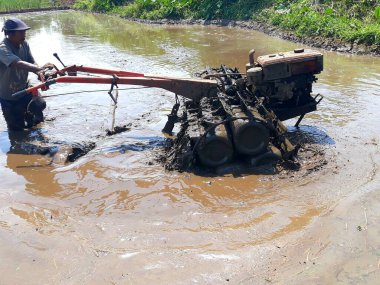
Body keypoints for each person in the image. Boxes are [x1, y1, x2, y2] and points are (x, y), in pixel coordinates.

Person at [0, 18, 54, 131]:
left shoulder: (24, 44)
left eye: (24, 31)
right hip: (9, 97)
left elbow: (31, 62)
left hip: (24, 89)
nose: (24, 34)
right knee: (16, 130)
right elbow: (17, 63)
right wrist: (40, 68)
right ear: (11, 34)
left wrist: (40, 73)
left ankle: (38, 130)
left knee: (39, 106)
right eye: (21, 32)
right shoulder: (2, 48)